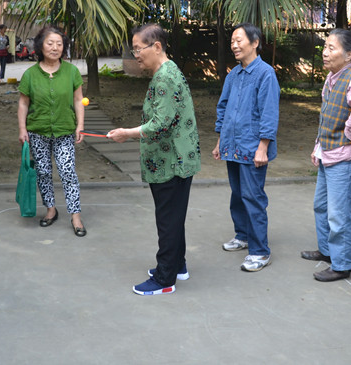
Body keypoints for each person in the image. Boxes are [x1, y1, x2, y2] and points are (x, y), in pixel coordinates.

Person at [107, 23, 201, 295]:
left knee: (168, 220)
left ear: (156, 46)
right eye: (134, 49)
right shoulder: (167, 72)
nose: (136, 55)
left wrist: (127, 133)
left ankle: (164, 279)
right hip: (175, 159)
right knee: (174, 217)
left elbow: (160, 124)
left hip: (170, 162)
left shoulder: (165, 77)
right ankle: (177, 265)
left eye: (139, 49)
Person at [301, 28, 351, 282]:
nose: (325, 52)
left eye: (332, 48)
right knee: (321, 206)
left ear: (349, 54)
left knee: (339, 213)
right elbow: (326, 115)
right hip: (328, 153)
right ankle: (327, 250)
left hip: (345, 157)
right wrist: (318, 146)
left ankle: (341, 265)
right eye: (325, 47)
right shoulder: (333, 77)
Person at [213, 23, 280, 272]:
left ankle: (260, 251)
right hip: (233, 146)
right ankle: (242, 235)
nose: (234, 45)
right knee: (237, 195)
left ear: (255, 43)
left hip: (252, 149)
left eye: (239, 40)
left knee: (253, 197)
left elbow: (269, 113)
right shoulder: (234, 75)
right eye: (232, 41)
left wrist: (263, 147)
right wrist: (220, 142)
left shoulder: (265, 74)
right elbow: (223, 108)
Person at [17, 26, 86, 236]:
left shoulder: (72, 72)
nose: (55, 48)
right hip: (37, 131)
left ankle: (75, 216)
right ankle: (51, 210)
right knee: (43, 172)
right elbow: (23, 104)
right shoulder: (30, 74)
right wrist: (22, 128)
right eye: (50, 43)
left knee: (67, 171)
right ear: (41, 46)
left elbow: (78, 100)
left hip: (65, 131)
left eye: (59, 44)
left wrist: (80, 125)